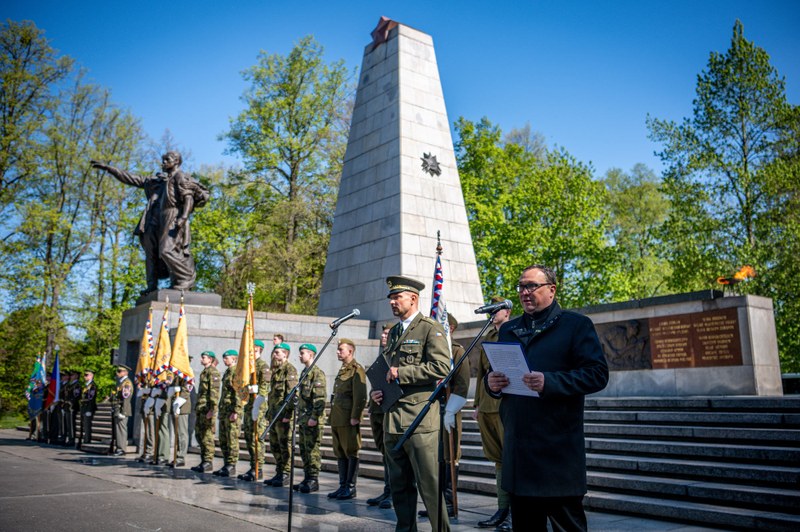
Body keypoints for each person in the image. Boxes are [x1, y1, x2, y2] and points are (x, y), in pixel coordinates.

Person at [486, 265, 609, 532]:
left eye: (532, 286)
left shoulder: (576, 325)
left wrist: (550, 382)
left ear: (551, 290)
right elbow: (496, 373)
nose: (524, 292)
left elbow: (597, 374)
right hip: (520, 454)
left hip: (557, 455)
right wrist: (491, 383)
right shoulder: (509, 329)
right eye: (521, 286)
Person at [370, 275, 452, 532]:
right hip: (393, 418)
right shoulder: (394, 331)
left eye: (397, 297)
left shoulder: (430, 328)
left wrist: (401, 373)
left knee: (429, 486)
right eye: (391, 298)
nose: (392, 302)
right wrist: (379, 392)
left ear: (413, 298)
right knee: (399, 486)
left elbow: (441, 367)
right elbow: (387, 370)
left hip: (419, 419)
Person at [90, 152, 208, 294]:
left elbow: (189, 197)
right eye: (162, 160)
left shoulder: (180, 177)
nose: (163, 163)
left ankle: (185, 279)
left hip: (171, 217)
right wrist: (109, 169)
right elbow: (130, 178)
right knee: (151, 255)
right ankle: (152, 286)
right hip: (152, 221)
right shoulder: (154, 181)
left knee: (167, 250)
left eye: (167, 160)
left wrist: (183, 217)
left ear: (176, 161)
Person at [419, 314, 470, 519]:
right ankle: (436, 502)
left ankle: (449, 502)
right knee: (433, 458)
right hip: (431, 410)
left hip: (449, 409)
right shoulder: (430, 350)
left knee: (449, 456)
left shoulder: (456, 351)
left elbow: (463, 384)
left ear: (450, 328)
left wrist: (451, 409)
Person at [474, 296, 513, 530]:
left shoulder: (514, 331)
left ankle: (514, 513)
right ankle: (502, 508)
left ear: (507, 312)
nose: (493, 313)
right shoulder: (487, 337)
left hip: (506, 403)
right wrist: (477, 403)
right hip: (487, 404)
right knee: (498, 459)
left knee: (511, 458)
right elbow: (481, 374)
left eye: (496, 309)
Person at [327, 338, 367, 500]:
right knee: (340, 452)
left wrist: (355, 416)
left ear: (350, 351)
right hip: (338, 417)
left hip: (348, 418)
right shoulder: (343, 369)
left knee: (351, 451)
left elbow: (361, 395)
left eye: (341, 350)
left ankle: (350, 487)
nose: (338, 352)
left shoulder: (357, 370)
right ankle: (342, 485)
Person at [366, 323, 393, 509]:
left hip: (388, 410)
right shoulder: (381, 355)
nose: (383, 336)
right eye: (382, 334)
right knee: (384, 454)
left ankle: (393, 493)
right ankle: (387, 489)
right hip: (377, 409)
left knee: (392, 455)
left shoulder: (394, 356)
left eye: (387, 334)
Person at [264, 342, 298, 487]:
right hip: (274, 414)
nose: (275, 355)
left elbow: (291, 393)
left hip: (282, 415)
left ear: (286, 354)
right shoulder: (276, 370)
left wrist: (288, 413)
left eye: (278, 352)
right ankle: (279, 472)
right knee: (274, 444)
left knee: (284, 445)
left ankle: (285, 473)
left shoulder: (289, 370)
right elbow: (273, 394)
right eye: (274, 352)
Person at [294, 343, 327, 493]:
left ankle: (314, 479)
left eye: (303, 353)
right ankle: (307, 477)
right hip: (303, 419)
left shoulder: (317, 373)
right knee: (304, 449)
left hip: (313, 420)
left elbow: (319, 398)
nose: (300, 356)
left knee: (312, 450)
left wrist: (314, 417)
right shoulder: (304, 373)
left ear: (311, 355)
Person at [239, 339, 270, 481]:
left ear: (258, 349)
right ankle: (253, 466)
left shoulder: (263, 366)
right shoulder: (248, 367)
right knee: (249, 438)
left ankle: (259, 467)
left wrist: (258, 399)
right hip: (248, 406)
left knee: (257, 438)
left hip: (258, 406)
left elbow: (264, 387)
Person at [213, 350, 242, 477]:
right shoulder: (227, 372)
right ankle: (226, 464)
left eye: (226, 358)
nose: (224, 360)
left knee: (232, 439)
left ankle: (231, 465)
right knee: (224, 439)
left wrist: (236, 410)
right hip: (224, 410)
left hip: (231, 411)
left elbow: (238, 393)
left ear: (234, 359)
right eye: (224, 358)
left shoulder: (236, 372)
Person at [192, 351, 221, 472]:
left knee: (207, 436)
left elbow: (214, 393)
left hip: (207, 409)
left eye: (203, 357)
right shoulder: (204, 372)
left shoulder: (213, 372)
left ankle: (208, 461)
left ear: (210, 359)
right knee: (200, 435)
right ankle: (204, 460)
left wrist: (212, 410)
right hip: (201, 409)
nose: (201, 359)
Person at [110, 365, 134, 456]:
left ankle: (121, 449)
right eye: (117, 371)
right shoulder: (121, 382)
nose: (117, 373)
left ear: (125, 372)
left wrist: (123, 411)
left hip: (122, 409)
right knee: (118, 430)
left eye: (119, 371)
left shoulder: (126, 383)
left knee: (121, 430)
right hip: (117, 408)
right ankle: (118, 447)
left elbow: (126, 398)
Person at [80, 370, 97, 444]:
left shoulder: (92, 385)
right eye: (84, 375)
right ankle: (85, 439)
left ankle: (87, 440)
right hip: (84, 407)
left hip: (88, 407)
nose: (85, 376)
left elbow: (91, 398)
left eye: (86, 375)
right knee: (84, 424)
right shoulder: (86, 385)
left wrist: (89, 409)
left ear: (91, 376)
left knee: (87, 424)